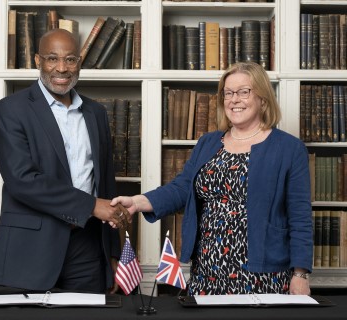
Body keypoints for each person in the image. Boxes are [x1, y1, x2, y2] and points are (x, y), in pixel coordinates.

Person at [112, 61, 313, 296]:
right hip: (208, 269)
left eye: (244, 92)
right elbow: (182, 188)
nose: (234, 99)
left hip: (262, 272)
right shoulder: (208, 143)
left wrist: (300, 274)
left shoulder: (289, 149)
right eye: (228, 93)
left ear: (263, 98)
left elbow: (300, 218)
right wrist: (137, 202)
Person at [0, 29, 130, 294]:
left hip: (87, 245)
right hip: (31, 247)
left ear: (80, 62)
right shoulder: (10, 110)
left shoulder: (96, 113)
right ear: (37, 60)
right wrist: (90, 206)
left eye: (71, 59)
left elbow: (105, 183)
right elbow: (22, 180)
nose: (62, 68)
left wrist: (112, 251)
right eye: (52, 59)